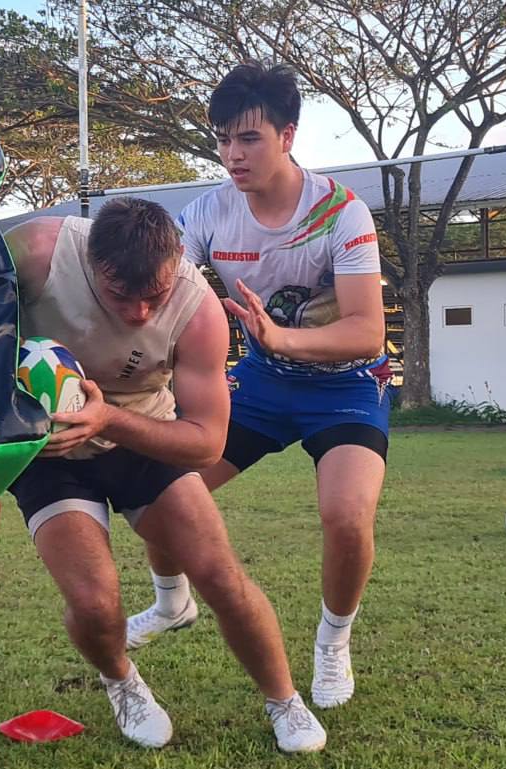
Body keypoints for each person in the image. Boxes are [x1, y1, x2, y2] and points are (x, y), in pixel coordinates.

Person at [3, 198, 327, 753]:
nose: (139, 313)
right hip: (51, 452)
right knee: (94, 602)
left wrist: (108, 419)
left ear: (177, 261)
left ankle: (284, 700)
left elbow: (207, 443)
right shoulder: (35, 253)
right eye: (119, 295)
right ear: (91, 261)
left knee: (220, 575)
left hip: (142, 435)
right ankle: (122, 682)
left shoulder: (199, 311)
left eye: (153, 295)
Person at [125, 61, 389, 714]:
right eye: (223, 139)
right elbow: (164, 290)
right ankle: (172, 602)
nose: (232, 155)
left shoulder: (340, 212)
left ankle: (333, 640)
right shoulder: (207, 214)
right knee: (159, 485)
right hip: (262, 384)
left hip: (347, 386)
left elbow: (367, 332)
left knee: (346, 515)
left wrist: (281, 338)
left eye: (248, 138)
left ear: (287, 136)